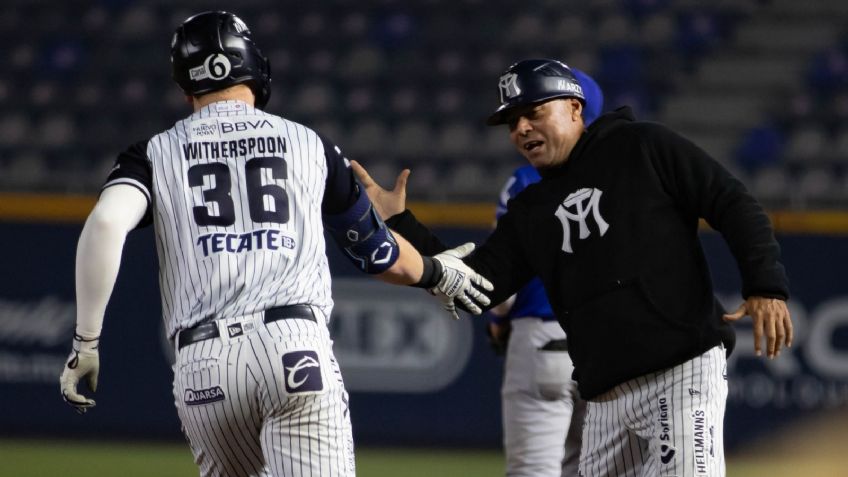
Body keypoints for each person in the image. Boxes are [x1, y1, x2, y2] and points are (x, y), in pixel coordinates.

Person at [57, 11, 491, 477]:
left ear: (186, 86)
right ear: (254, 66)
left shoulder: (152, 153)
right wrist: (438, 272)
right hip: (293, 347)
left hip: (203, 364)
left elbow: (104, 224)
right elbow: (377, 253)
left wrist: (87, 341)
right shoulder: (308, 143)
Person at [352, 58, 793, 477]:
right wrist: (399, 223)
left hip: (680, 372)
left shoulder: (642, 146)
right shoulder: (531, 209)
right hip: (604, 396)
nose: (521, 128)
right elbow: (480, 284)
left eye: (534, 112)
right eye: (512, 122)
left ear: (574, 108)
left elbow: (731, 202)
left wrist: (766, 284)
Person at [486, 68, 603, 477]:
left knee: (533, 471)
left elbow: (502, 281)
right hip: (604, 341)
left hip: (540, 335)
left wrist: (498, 321)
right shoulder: (617, 177)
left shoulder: (524, 182)